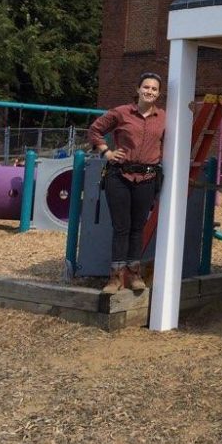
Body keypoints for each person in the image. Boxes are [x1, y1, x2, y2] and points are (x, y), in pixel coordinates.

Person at [88, 72, 166, 294]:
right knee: (121, 228)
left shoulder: (163, 117)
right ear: (138, 89)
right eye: (146, 87)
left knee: (137, 228)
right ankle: (115, 278)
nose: (149, 91)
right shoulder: (121, 113)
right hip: (119, 176)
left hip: (147, 177)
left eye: (154, 89)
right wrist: (107, 152)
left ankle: (134, 275)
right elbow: (95, 130)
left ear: (158, 93)